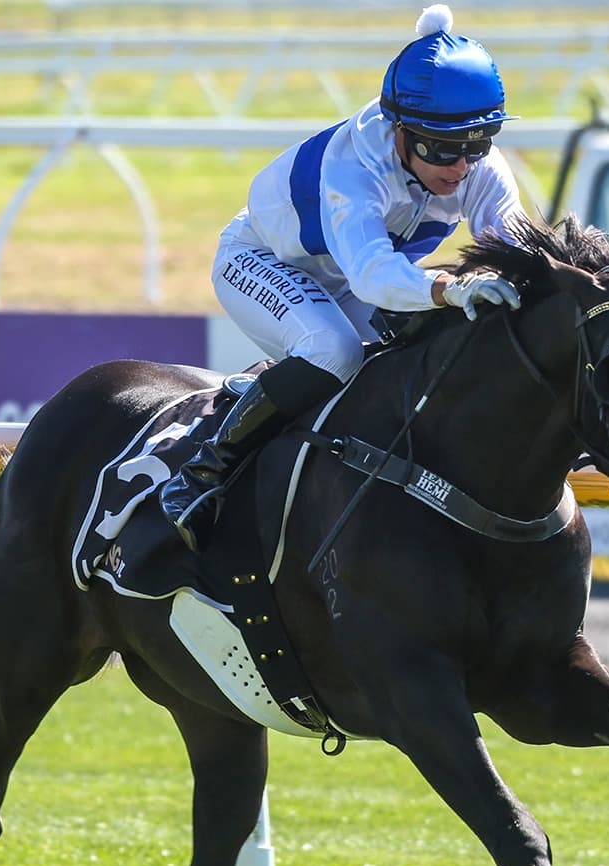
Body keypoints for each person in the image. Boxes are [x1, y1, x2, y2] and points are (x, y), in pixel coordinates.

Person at [160, 3, 527, 551]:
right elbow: (375, 276)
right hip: (259, 261)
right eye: (443, 148)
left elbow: (515, 247)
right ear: (399, 130)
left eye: (477, 144)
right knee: (334, 349)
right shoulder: (354, 166)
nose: (461, 166)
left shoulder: (477, 166)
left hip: (348, 276)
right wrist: (451, 287)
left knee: (423, 347)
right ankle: (203, 471)